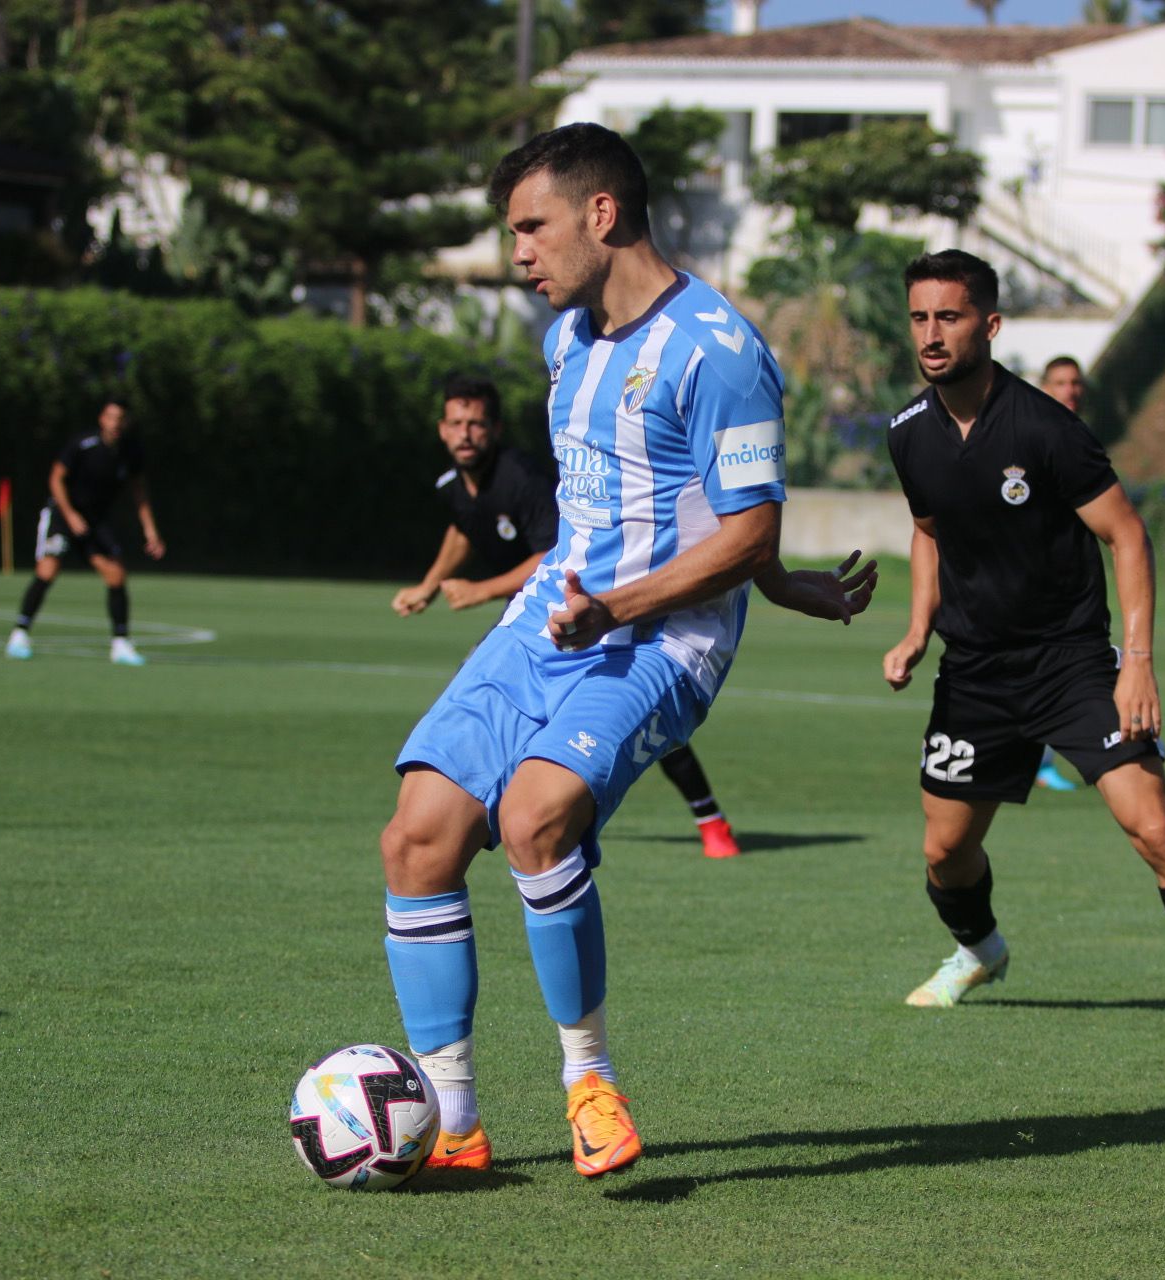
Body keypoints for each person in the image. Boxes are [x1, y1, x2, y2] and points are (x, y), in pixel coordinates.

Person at [377, 123, 877, 1181]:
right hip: (557, 615)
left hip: (665, 634)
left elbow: (745, 528)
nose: (518, 252)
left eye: (532, 227)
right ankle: (454, 1123)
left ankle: (590, 1082)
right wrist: (592, 598)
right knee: (417, 836)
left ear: (601, 214)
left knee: (535, 816)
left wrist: (647, 601)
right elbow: (630, 505)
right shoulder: (566, 340)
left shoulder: (720, 352)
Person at [881, 250, 1165, 1053]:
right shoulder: (908, 434)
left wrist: (1136, 662)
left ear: (990, 326)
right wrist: (917, 628)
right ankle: (979, 950)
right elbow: (928, 532)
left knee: (1154, 829)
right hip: (975, 672)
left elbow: (1127, 536)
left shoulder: (1046, 429)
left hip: (1070, 665)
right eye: (920, 317)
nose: (931, 334)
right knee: (946, 851)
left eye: (950, 317)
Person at [393, 372, 748, 859]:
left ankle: (709, 819)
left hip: (582, 602)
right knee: (482, 692)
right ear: (441, 430)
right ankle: (506, 805)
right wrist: (429, 586)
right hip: (527, 614)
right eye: (455, 424)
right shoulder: (452, 485)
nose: (465, 434)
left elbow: (550, 553)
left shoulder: (521, 479)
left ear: (495, 430)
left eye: (475, 424)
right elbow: (462, 530)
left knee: (629, 715)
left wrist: (479, 590)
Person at [5, 399, 164, 665]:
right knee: (48, 569)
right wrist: (69, 514)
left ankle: (121, 644)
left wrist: (151, 531)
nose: (115, 423)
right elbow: (56, 478)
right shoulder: (83, 444)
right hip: (63, 514)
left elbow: (139, 491)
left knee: (116, 575)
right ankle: (19, 634)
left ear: (126, 422)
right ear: (102, 418)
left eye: (120, 418)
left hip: (94, 521)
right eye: (111, 417)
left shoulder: (131, 451)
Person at [1029, 355, 1090, 794]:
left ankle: (1041, 760)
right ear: (1045, 388)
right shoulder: (1029, 437)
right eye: (1060, 382)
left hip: (1067, 581)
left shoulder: (1081, 437)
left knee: (1059, 670)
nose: (1070, 390)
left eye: (1075, 382)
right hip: (1027, 578)